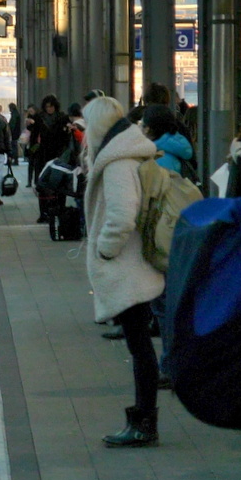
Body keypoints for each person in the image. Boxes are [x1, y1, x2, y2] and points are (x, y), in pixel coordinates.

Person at [82, 95, 165, 447]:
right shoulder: (127, 154)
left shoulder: (117, 163)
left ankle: (144, 423)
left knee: (140, 348)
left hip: (127, 267)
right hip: (135, 265)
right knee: (140, 346)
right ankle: (143, 418)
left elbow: (121, 214)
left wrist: (104, 249)